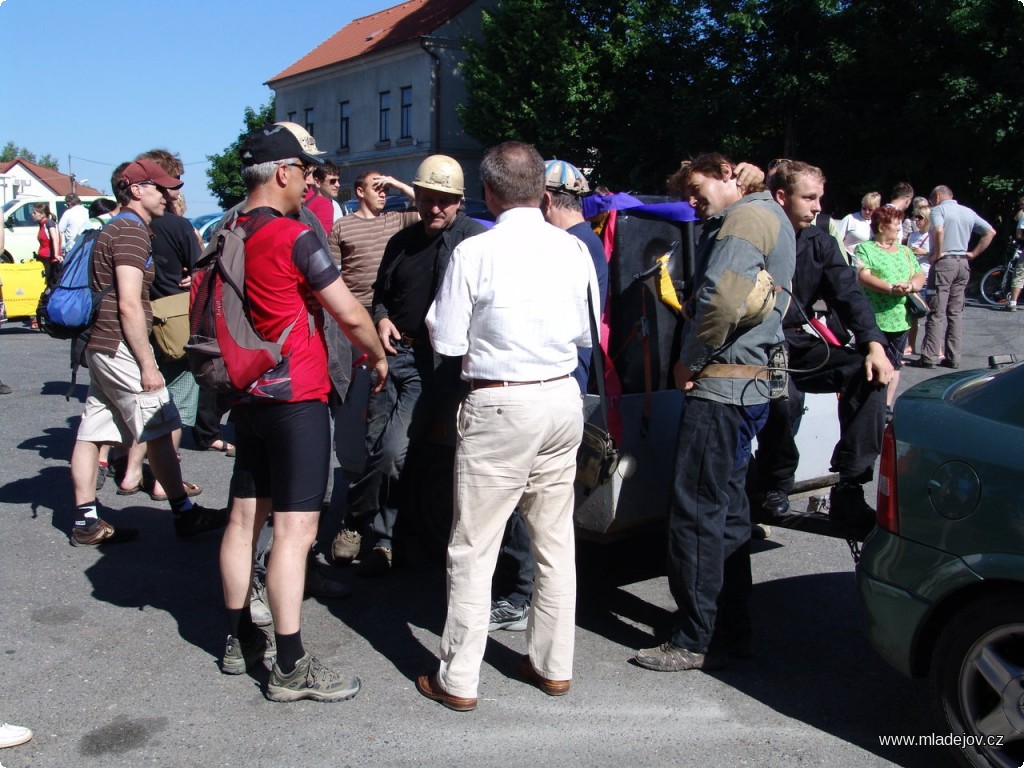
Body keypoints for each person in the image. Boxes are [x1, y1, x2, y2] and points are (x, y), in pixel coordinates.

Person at [417, 141, 599, 711]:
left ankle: (460, 678)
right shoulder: (573, 250)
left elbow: (446, 341)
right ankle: (553, 665)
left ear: (489, 193)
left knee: (474, 546)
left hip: (501, 402)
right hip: (561, 397)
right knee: (554, 539)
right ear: (542, 192)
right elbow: (586, 333)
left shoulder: (477, 251)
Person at [216, 123, 387, 702]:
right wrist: (377, 354)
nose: (312, 180)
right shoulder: (292, 236)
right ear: (284, 172)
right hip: (296, 396)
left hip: (248, 393)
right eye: (308, 171)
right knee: (295, 530)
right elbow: (349, 313)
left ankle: (239, 639)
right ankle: (289, 665)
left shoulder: (228, 228)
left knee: (244, 520)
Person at [634, 152, 795, 673]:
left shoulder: (744, 219)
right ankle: (730, 629)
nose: (691, 201)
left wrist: (688, 359)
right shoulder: (768, 214)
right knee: (727, 512)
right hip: (749, 387)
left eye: (697, 188)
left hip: (722, 388)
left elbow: (721, 302)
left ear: (726, 174)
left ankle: (692, 638)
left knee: (697, 513)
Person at [331, 155, 486, 576]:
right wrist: (380, 318)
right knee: (373, 445)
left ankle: (359, 523)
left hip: (431, 366)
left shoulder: (472, 240)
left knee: (393, 451)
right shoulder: (401, 241)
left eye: (445, 201)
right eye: (428, 198)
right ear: (417, 197)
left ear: (460, 202)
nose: (435, 208)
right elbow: (380, 295)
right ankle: (379, 534)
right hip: (389, 356)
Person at [68, 159, 225, 546]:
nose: (167, 195)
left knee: (92, 432)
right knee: (162, 424)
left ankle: (87, 521)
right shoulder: (132, 231)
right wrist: (146, 363)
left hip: (99, 343)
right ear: (136, 189)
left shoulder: (115, 227)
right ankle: (184, 513)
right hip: (120, 345)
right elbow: (129, 304)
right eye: (160, 188)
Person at [488, 158, 608, 632]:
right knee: (547, 504)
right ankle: (533, 595)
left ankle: (520, 595)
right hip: (567, 387)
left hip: (546, 383)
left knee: (523, 497)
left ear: (543, 199)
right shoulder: (589, 243)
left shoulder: (569, 246)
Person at [754, 161, 891, 534]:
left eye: (820, 198)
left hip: (796, 340)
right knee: (786, 399)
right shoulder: (755, 232)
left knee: (868, 372)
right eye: (809, 198)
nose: (817, 207)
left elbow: (849, 295)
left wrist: (874, 344)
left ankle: (850, 484)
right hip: (756, 342)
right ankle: (771, 486)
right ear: (781, 197)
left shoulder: (820, 241)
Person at [326, 169, 417, 562]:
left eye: (385, 188)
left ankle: (370, 524)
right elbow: (329, 281)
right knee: (367, 433)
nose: (382, 194)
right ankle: (368, 524)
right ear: (358, 191)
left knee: (391, 443)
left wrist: (398, 184)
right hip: (358, 330)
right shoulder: (342, 228)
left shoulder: (398, 220)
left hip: (394, 330)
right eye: (376, 188)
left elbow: (428, 204)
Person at [109, 149, 206, 502]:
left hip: (137, 328)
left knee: (145, 404)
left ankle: (132, 469)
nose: (174, 192)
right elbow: (202, 270)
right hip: (173, 323)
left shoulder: (124, 224)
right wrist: (195, 273)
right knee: (173, 406)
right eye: (171, 182)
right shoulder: (173, 226)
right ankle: (165, 481)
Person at [855, 206, 925, 420]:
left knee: (894, 363)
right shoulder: (865, 249)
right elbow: (863, 276)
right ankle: (867, 402)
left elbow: (919, 274)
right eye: (896, 224)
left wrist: (911, 286)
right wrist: (890, 288)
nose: (899, 229)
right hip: (873, 318)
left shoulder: (904, 250)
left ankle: (885, 406)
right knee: (869, 361)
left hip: (900, 319)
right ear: (882, 225)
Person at [917, 185, 996, 368]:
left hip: (945, 263)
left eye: (931, 199)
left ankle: (928, 357)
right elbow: (990, 232)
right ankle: (953, 357)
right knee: (955, 313)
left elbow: (938, 230)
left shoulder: (939, 210)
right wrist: (974, 254)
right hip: (963, 263)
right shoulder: (968, 212)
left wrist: (937, 252)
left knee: (936, 312)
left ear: (937, 196)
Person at [906, 201, 933, 349]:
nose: (916, 220)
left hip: (928, 277)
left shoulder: (933, 236)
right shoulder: (913, 236)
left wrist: (925, 253)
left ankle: (933, 347)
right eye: (915, 217)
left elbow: (938, 256)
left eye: (920, 217)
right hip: (914, 277)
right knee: (913, 313)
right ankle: (911, 345)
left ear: (928, 219)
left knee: (932, 314)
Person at [836, 191, 880, 263]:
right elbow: (836, 239)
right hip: (848, 260)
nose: (867, 212)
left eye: (870, 210)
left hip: (868, 263)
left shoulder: (877, 223)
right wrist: (845, 251)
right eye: (864, 208)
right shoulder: (850, 218)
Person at [31, 202, 61, 290]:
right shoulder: (42, 224)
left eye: (34, 213)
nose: (33, 215)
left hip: (49, 258)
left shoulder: (49, 223)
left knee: (50, 283)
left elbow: (55, 239)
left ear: (42, 214)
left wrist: (56, 255)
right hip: (43, 257)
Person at [311, 160, 344, 227]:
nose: (338, 185)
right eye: (332, 181)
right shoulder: (308, 207)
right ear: (317, 182)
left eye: (338, 180)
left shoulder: (338, 206)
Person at [58, 193, 90, 257]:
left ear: (69, 203)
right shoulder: (88, 211)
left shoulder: (68, 213)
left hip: (72, 248)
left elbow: (60, 229)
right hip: (87, 247)